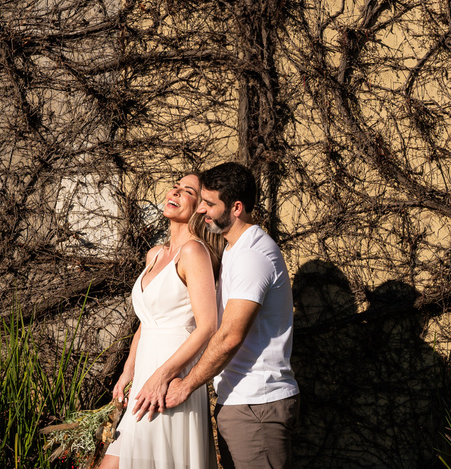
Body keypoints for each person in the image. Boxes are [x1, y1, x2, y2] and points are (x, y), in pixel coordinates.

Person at [165, 162, 300, 469]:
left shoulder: (253, 255)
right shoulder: (233, 249)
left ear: (236, 207)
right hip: (241, 403)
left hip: (257, 405)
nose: (202, 210)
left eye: (210, 204)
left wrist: (186, 385)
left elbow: (229, 337)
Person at [99, 172, 224, 469]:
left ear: (199, 208)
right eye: (176, 187)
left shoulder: (194, 252)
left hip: (170, 375)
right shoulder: (154, 254)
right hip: (144, 373)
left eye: (188, 192)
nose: (177, 192)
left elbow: (208, 326)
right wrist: (128, 371)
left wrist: (163, 375)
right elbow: (146, 321)